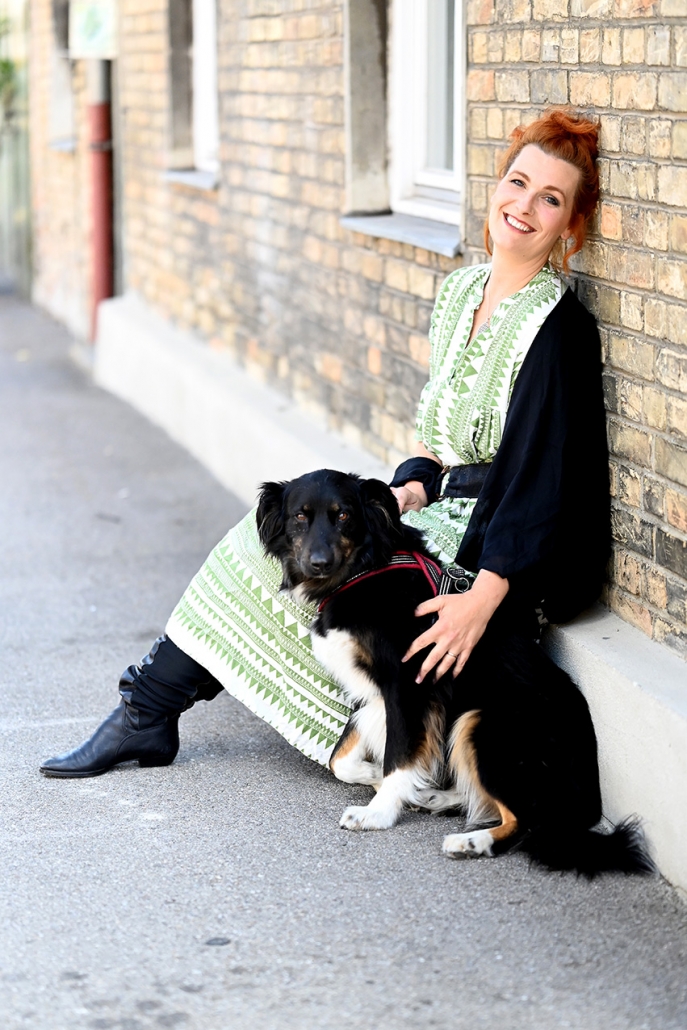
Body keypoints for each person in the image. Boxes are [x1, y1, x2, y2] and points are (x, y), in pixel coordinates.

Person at [40, 108, 610, 780]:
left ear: (570, 226)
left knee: (315, 571)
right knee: (269, 541)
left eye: (550, 199)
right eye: (517, 183)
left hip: (486, 550)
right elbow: (438, 431)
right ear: (496, 186)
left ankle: (153, 713)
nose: (524, 206)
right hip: (438, 509)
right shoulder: (462, 291)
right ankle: (149, 709)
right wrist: (411, 483)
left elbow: (542, 484)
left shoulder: (557, 328)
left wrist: (479, 603)